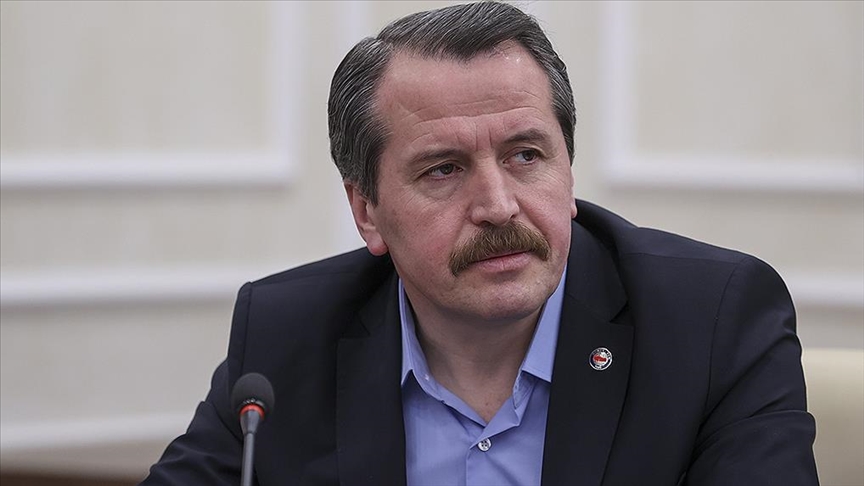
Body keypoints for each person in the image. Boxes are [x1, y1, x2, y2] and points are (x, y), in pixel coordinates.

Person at [141, 2, 818, 485]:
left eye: (526, 155)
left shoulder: (712, 322)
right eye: (443, 170)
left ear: (568, 171)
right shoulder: (285, 335)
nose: (498, 206)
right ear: (367, 211)